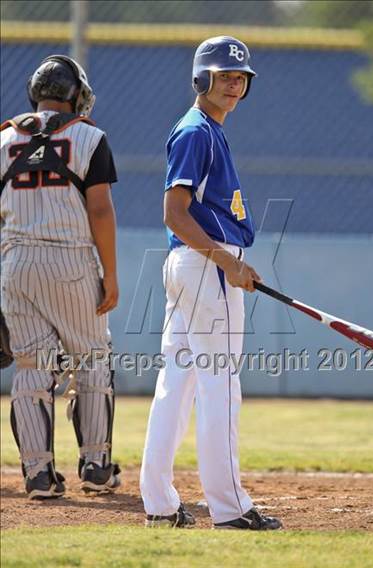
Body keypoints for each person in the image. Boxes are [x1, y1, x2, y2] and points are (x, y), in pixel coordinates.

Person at [140, 36, 283, 530]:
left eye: (240, 78)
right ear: (201, 78)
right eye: (224, 76)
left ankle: (159, 503)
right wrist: (227, 262)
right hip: (205, 269)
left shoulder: (208, 131)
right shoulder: (196, 131)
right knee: (220, 386)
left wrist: (229, 262)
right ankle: (230, 508)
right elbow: (175, 215)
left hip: (199, 269)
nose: (234, 85)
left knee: (176, 387)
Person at [0, 55, 120, 500]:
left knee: (31, 367)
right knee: (92, 360)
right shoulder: (90, 136)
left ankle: (37, 476)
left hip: (15, 265)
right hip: (69, 262)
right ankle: (96, 466)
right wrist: (111, 274)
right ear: (74, 97)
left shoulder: (5, 137)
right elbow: (101, 209)